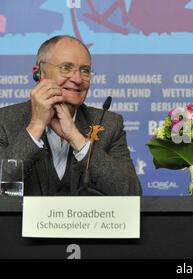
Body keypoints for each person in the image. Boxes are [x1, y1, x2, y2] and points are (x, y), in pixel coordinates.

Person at [0, 35, 142, 196]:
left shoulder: (109, 124)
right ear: (39, 73)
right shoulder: (4, 120)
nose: (77, 79)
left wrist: (76, 138)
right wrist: (36, 126)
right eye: (66, 68)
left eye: (85, 71)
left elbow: (132, 193)